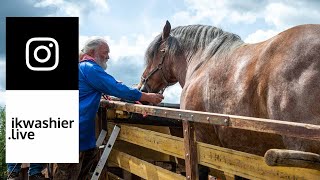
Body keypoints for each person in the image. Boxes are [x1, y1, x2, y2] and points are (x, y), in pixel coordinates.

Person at [53, 38, 164, 179]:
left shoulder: (82, 69)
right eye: (105, 52)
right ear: (93, 52)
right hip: (77, 135)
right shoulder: (89, 68)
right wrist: (147, 97)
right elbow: (115, 87)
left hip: (81, 135)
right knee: (68, 175)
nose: (108, 57)